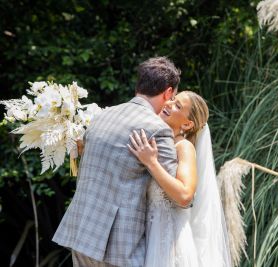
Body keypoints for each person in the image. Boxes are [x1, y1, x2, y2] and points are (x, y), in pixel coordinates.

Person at [52, 57, 181, 266]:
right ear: (168, 92)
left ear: (139, 85)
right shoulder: (156, 128)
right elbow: (174, 195)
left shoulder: (102, 117)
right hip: (119, 248)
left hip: (81, 234)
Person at [128, 91, 232, 267]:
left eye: (177, 106)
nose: (169, 104)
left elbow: (185, 195)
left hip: (169, 243)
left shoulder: (184, 147)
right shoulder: (154, 141)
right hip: (146, 237)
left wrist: (151, 163)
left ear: (187, 123)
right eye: (172, 100)